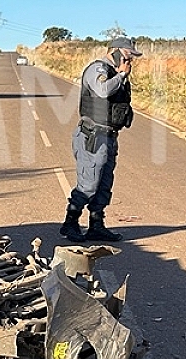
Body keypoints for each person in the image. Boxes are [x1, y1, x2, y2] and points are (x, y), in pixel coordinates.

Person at [60, 36, 142, 243]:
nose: (130, 61)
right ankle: (70, 224)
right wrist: (122, 74)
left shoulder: (115, 73)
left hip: (109, 136)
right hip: (92, 136)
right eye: (128, 55)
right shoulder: (97, 69)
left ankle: (97, 225)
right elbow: (102, 91)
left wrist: (121, 75)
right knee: (88, 184)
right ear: (115, 51)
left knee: (104, 184)